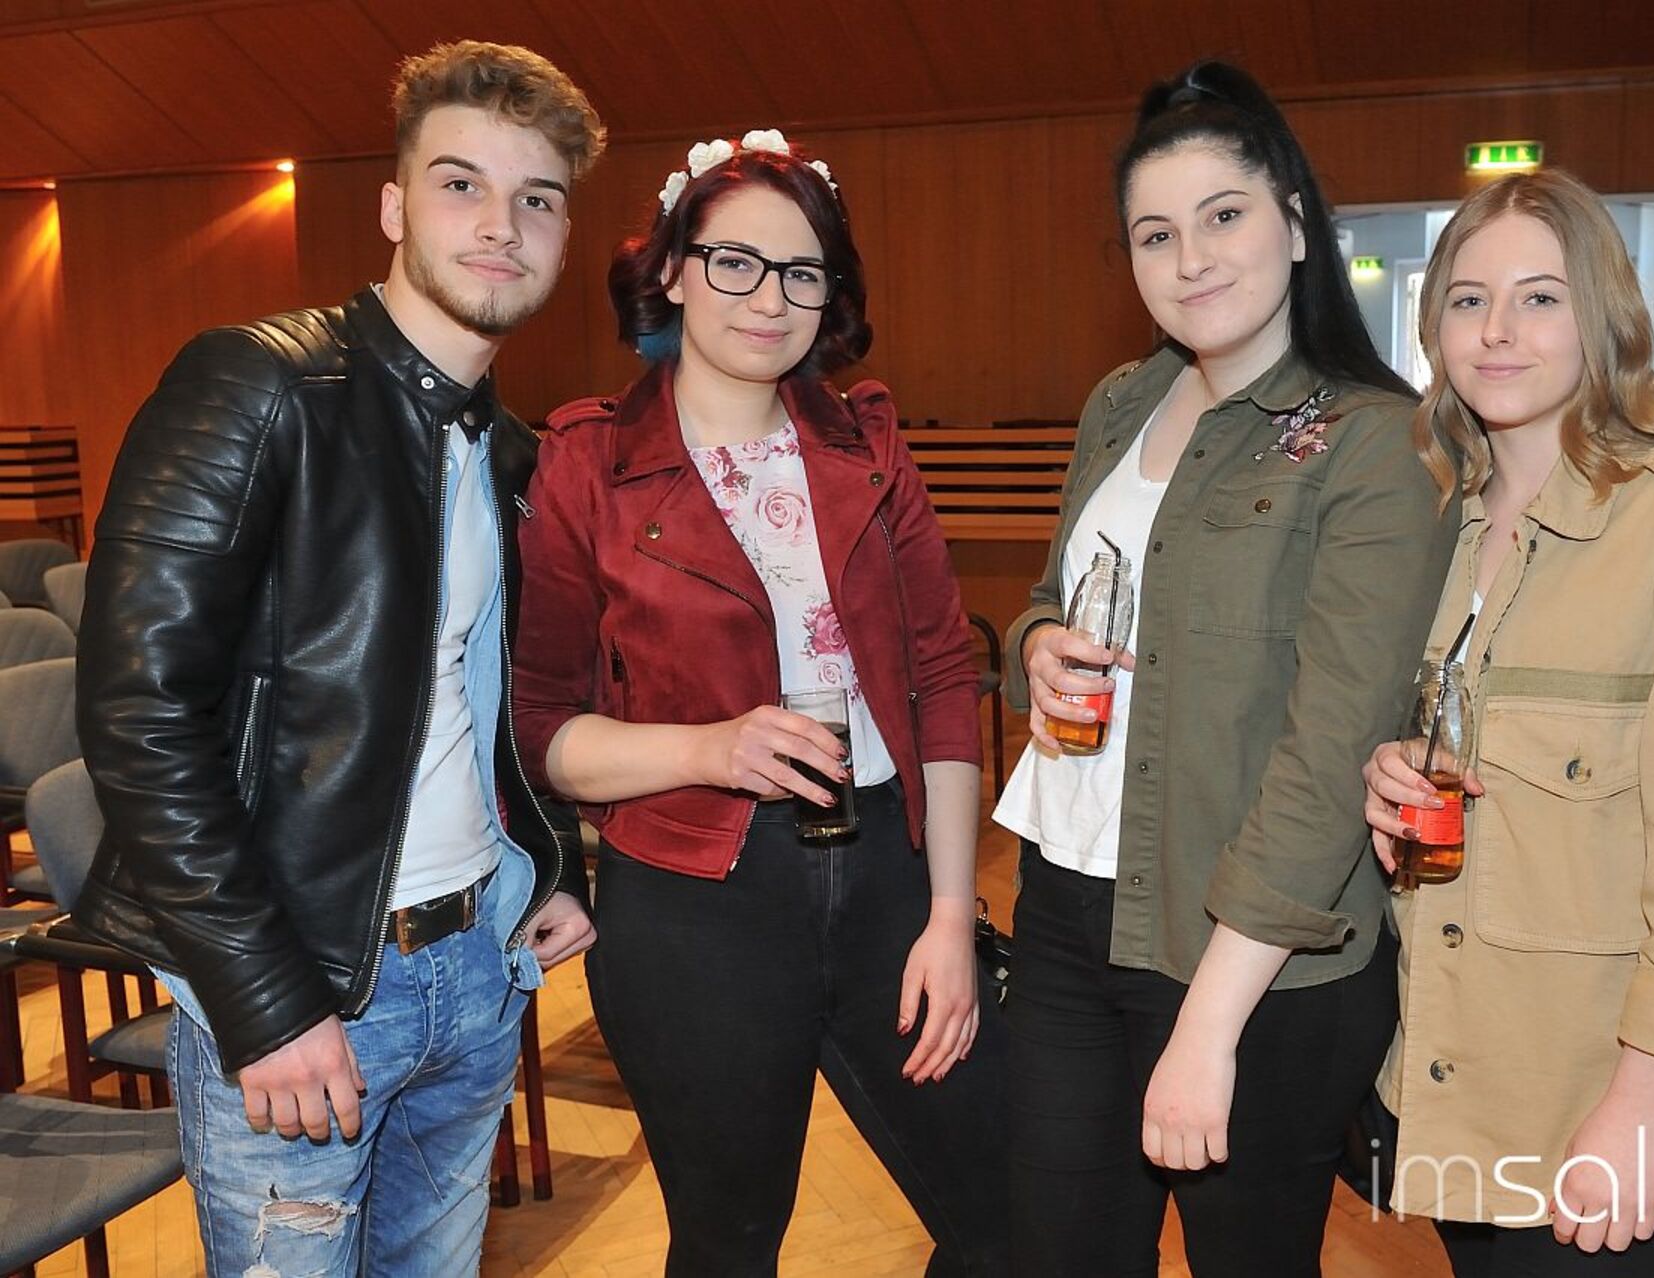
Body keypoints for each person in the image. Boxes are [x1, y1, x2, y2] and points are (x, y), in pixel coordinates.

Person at [72, 41, 602, 1277]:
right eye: (461, 184)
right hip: (306, 988)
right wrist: (265, 999)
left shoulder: (510, 451)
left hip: (477, 973)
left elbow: (493, 702)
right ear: (394, 206)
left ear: (565, 236)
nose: (501, 225)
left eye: (537, 198)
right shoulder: (258, 385)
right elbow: (138, 715)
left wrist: (553, 863)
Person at [512, 129, 1009, 1276]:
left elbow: (942, 676)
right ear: (674, 270)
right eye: (735, 262)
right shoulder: (587, 461)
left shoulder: (870, 442)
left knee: (1010, 1218)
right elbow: (538, 727)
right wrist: (709, 750)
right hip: (697, 912)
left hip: (889, 883)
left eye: (802, 272)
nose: (770, 298)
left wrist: (947, 914)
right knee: (728, 1246)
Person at [993, 60, 1458, 1276]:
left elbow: (1330, 755)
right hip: (1064, 906)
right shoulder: (1120, 402)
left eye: (1223, 215)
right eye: (1156, 234)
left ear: (1294, 225)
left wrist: (1207, 1026)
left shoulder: (1374, 443)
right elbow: (1050, 599)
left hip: (1248, 953)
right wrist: (1037, 648)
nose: (1190, 258)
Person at [1360, 168, 1654, 1276]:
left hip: (1606, 1104)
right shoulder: (1441, 530)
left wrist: (1641, 1109)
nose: (1498, 330)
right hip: (1466, 1072)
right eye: (1469, 300)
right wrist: (1392, 771)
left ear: (1604, 319)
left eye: (1540, 298)